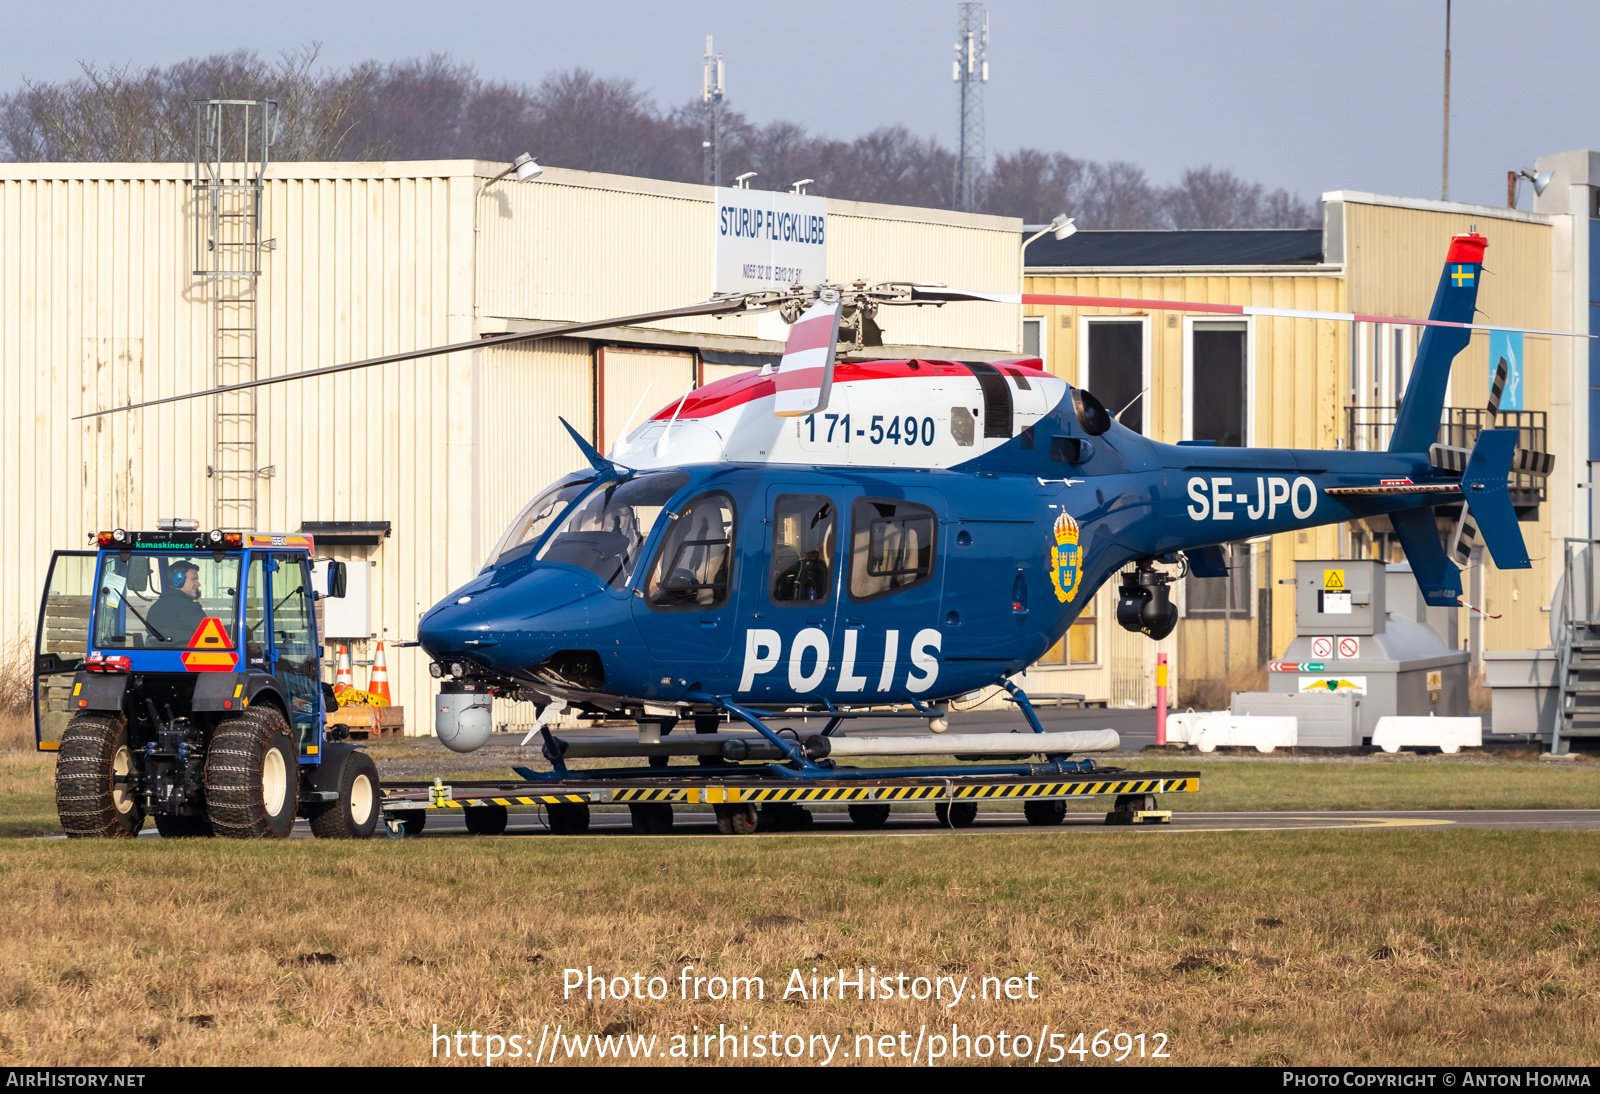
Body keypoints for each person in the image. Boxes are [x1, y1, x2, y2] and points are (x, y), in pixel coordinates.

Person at [146, 560, 206, 644]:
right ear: (179, 579)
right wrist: (197, 605)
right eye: (194, 579)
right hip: (187, 656)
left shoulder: (155, 608)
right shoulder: (189, 608)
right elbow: (208, 634)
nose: (198, 584)